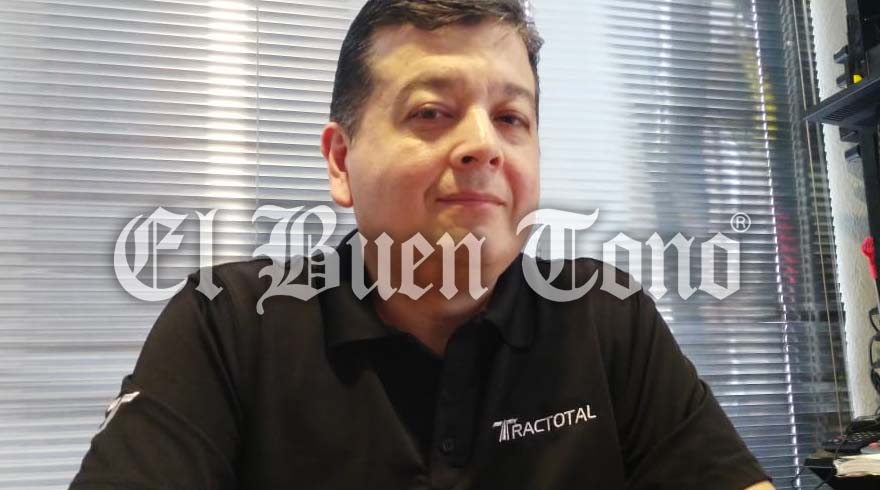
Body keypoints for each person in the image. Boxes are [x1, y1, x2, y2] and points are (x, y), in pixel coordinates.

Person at [69, 1, 775, 488]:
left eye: (511, 117)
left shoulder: (606, 316)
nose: (483, 144)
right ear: (341, 162)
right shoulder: (227, 324)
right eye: (432, 112)